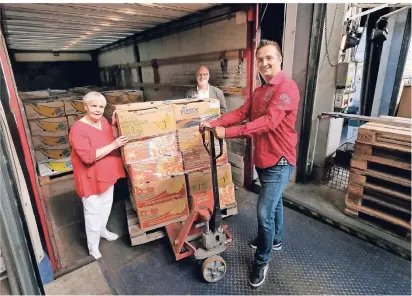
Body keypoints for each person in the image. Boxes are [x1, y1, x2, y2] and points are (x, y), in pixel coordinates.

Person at [200, 40, 300, 288]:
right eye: (260, 59)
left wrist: (228, 133)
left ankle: (261, 260)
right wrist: (214, 124)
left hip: (281, 159)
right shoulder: (259, 91)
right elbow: (240, 113)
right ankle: (275, 239)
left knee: (264, 212)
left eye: (269, 58)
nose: (264, 63)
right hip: (264, 159)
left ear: (279, 59)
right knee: (274, 203)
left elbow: (268, 122)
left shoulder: (287, 87)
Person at [69, 91, 129, 260]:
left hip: (106, 175)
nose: (98, 109)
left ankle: (103, 231)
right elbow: (88, 157)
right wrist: (114, 144)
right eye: (94, 106)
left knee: (106, 206)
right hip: (90, 178)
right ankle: (93, 246)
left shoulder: (103, 121)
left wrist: (116, 125)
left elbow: (109, 136)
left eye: (101, 107)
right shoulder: (77, 129)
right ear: (85, 106)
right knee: (93, 214)